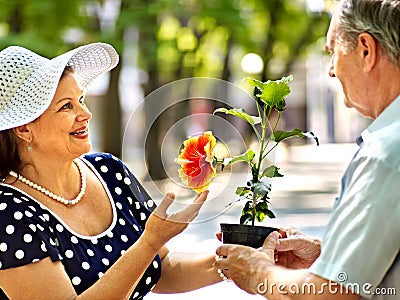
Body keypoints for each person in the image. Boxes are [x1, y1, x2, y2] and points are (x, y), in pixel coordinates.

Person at [0, 43, 222, 299]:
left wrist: (236, 261)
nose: (86, 113)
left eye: (80, 100)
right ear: (24, 129)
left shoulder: (110, 171)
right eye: (66, 106)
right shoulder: (8, 214)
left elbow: (164, 268)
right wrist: (148, 243)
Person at [214, 0, 400, 299]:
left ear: (366, 50)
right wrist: (327, 257)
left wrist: (257, 272)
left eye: (332, 52)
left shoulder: (387, 153)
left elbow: (329, 295)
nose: (330, 70)